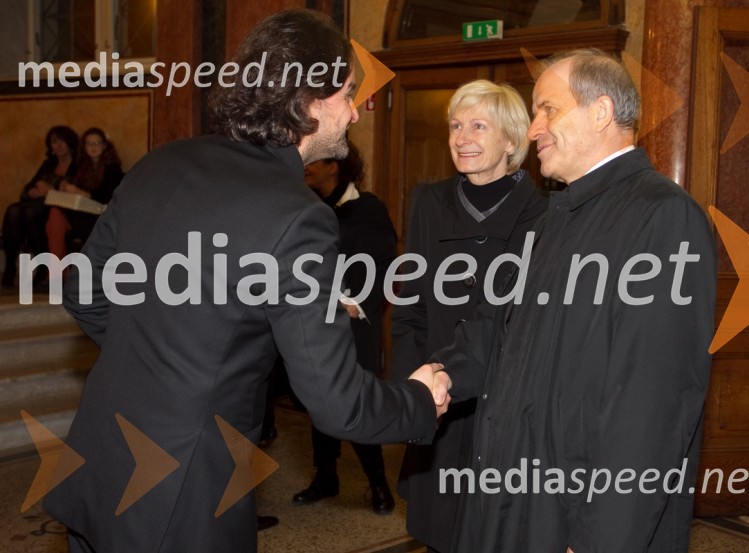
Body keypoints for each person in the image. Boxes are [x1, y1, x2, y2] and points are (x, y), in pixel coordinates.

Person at [42, 10, 449, 553]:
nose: (355, 112)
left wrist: (163, 364)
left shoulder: (164, 161)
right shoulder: (299, 215)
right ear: (307, 100)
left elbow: (83, 293)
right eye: (349, 94)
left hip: (100, 460)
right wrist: (420, 401)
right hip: (183, 493)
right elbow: (334, 401)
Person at [431, 49, 716, 552]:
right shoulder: (550, 220)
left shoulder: (664, 218)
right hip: (515, 503)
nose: (533, 128)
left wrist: (598, 542)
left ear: (601, 112)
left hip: (577, 521)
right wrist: (440, 377)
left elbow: (651, 409)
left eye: (548, 110)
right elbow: (496, 334)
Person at [390, 79, 546, 552]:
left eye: (479, 126)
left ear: (512, 140)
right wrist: (411, 389)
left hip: (504, 403)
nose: (462, 138)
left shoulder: (542, 213)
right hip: (437, 395)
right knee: (440, 528)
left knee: (494, 531)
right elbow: (411, 302)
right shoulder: (429, 202)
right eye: (456, 126)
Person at [292, 141, 399, 514]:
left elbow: (380, 265)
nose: (304, 165)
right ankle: (326, 476)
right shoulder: (305, 208)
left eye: (313, 160)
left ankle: (378, 483)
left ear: (334, 167)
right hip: (314, 321)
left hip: (355, 323)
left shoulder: (367, 209)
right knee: (317, 397)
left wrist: (349, 300)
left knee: (357, 400)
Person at [2, 126, 78, 287]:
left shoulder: (78, 164)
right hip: (39, 207)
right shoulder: (48, 164)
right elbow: (30, 185)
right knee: (13, 211)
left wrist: (50, 188)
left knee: (29, 213)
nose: (59, 146)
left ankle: (43, 266)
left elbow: (74, 190)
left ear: (70, 143)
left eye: (62, 141)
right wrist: (34, 190)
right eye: (54, 142)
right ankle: (10, 266)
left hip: (62, 209)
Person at [46, 127, 124, 259]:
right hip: (82, 210)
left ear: (104, 146)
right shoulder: (82, 166)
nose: (93, 147)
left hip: (100, 213)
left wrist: (81, 193)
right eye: (89, 144)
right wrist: (66, 187)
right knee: (55, 215)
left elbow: (108, 196)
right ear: (84, 147)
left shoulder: (113, 168)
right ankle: (57, 270)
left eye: (97, 143)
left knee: (60, 220)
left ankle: (59, 271)